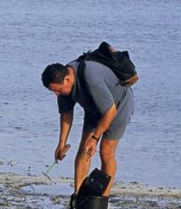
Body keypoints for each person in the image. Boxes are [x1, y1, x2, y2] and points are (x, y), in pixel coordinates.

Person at [41, 58, 134, 200]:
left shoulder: (91, 79)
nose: (57, 94)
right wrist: (61, 143)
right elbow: (66, 114)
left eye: (57, 90)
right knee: (84, 148)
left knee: (106, 151)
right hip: (93, 109)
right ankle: (78, 197)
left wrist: (95, 139)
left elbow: (110, 112)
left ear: (67, 79)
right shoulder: (62, 87)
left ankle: (102, 201)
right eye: (53, 91)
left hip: (117, 106)